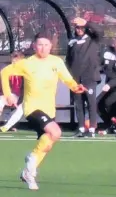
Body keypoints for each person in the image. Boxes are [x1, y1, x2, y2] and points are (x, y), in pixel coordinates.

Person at [0, 32, 87, 190]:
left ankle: (29, 170)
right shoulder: (27, 63)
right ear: (34, 46)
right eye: (40, 45)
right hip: (32, 108)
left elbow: (67, 78)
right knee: (56, 132)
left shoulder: (56, 62)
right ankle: (31, 163)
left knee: (47, 143)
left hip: (49, 109)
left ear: (51, 47)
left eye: (46, 45)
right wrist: (7, 95)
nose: (43, 48)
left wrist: (75, 86)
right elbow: (4, 72)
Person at [67, 17, 102, 137]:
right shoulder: (72, 41)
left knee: (91, 104)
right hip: (75, 79)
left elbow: (99, 31)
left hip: (89, 78)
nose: (79, 30)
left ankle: (92, 129)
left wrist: (87, 23)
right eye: (77, 27)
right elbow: (69, 60)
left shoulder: (92, 39)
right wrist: (69, 77)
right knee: (79, 104)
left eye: (81, 27)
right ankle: (81, 128)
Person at [0, 51, 25, 132]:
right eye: (13, 61)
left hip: (19, 97)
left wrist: (21, 99)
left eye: (17, 61)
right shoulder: (6, 70)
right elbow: (3, 85)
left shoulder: (25, 72)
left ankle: (7, 126)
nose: (14, 63)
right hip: (5, 95)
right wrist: (7, 96)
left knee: (22, 108)